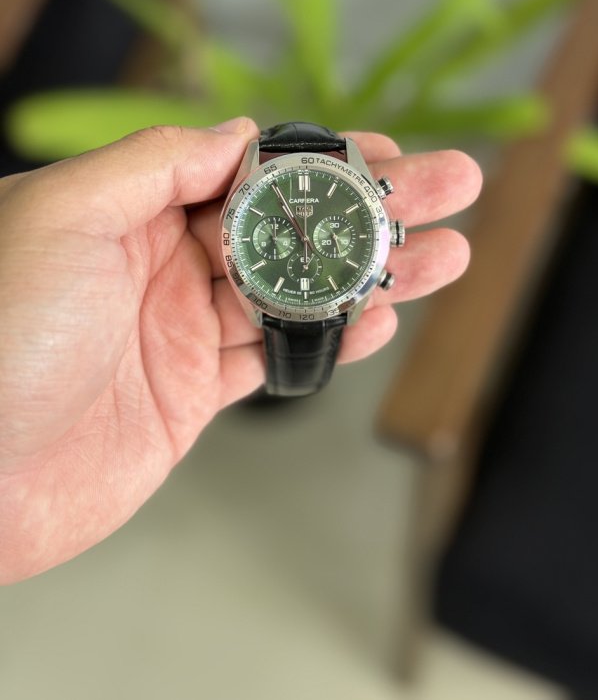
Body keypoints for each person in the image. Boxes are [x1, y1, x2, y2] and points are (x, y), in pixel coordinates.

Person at [0, 117, 482, 584]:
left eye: (326, 237)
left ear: (386, 232)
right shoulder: (246, 237)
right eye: (298, 236)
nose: (307, 244)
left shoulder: (276, 216)